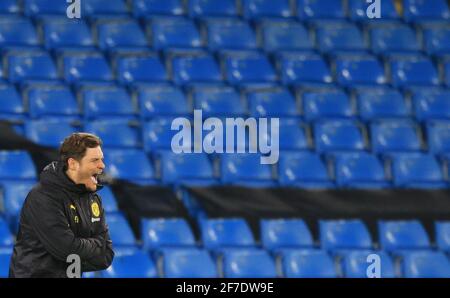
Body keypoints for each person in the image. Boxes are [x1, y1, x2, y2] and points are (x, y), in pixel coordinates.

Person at [9, 133, 114, 278]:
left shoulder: (93, 199)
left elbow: (107, 255)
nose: (102, 165)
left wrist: (77, 251)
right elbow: (67, 249)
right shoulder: (43, 197)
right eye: (95, 160)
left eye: (101, 159)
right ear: (73, 164)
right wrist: (96, 245)